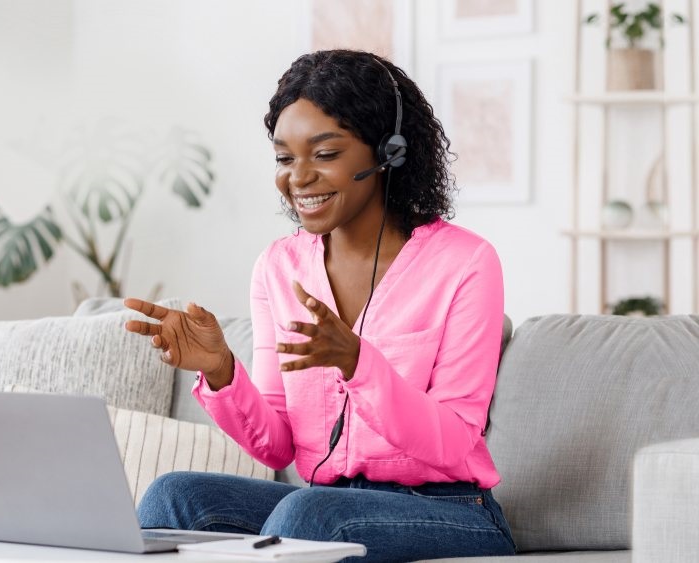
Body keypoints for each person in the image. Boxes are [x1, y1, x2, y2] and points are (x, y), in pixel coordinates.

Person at [122, 49, 516, 563]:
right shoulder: (278, 267)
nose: (298, 178)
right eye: (285, 158)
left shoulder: (466, 262)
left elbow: (455, 443)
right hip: (324, 502)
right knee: (175, 496)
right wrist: (221, 371)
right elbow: (278, 447)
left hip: (449, 509)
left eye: (325, 154)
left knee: (306, 517)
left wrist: (358, 363)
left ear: (388, 153)